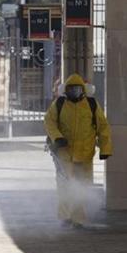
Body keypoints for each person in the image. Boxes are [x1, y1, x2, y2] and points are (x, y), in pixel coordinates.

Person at [44, 73, 112, 228]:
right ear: (65, 90)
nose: (74, 91)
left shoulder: (92, 104)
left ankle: (78, 219)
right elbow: (49, 121)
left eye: (77, 88)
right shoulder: (59, 103)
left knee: (82, 186)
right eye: (71, 89)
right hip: (64, 154)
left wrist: (105, 148)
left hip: (85, 154)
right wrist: (57, 137)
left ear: (83, 89)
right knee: (65, 185)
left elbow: (103, 127)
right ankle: (64, 216)